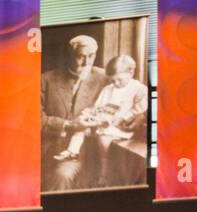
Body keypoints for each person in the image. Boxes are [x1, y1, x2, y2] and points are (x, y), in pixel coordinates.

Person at [54, 54, 148, 186]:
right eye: (112, 80)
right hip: (102, 121)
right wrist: (91, 114)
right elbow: (97, 106)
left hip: (118, 126)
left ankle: (104, 174)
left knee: (103, 141)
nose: (115, 84)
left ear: (131, 72)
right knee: (81, 128)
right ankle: (72, 151)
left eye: (119, 80)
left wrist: (125, 117)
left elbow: (139, 109)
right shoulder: (108, 89)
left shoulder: (139, 89)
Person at [40, 35, 109, 191]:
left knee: (64, 175)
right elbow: (34, 118)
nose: (87, 62)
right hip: (51, 148)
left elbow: (129, 96)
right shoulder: (46, 79)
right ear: (69, 55)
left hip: (91, 151)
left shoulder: (105, 78)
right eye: (80, 57)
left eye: (91, 56)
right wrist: (69, 125)